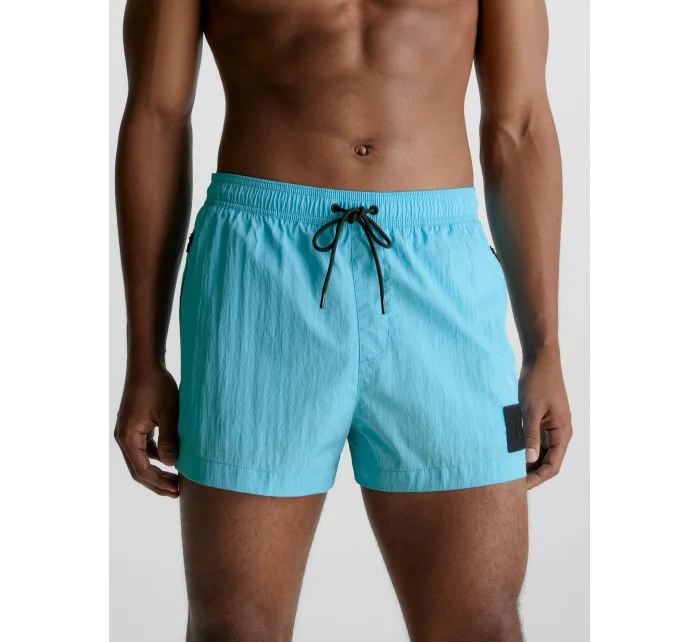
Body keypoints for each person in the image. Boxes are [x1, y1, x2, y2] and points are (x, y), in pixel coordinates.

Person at [114, 0, 573, 639]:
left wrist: (545, 348)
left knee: (482, 625)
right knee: (234, 629)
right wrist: (144, 356)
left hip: (439, 272)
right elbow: (157, 118)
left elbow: (519, 125)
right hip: (259, 268)